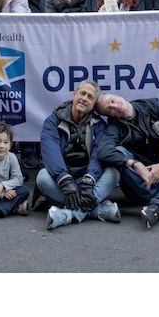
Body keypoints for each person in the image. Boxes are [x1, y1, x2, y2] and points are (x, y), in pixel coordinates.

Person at [95, 93, 159, 228]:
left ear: (120, 96)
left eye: (112, 101)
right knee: (119, 152)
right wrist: (135, 164)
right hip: (143, 187)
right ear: (111, 116)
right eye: (108, 109)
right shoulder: (114, 127)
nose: (114, 106)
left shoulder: (153, 105)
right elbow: (103, 151)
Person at [37, 80, 122, 229]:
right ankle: (96, 209)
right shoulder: (52, 121)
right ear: (74, 94)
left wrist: (89, 181)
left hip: (89, 182)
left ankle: (68, 214)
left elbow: (99, 154)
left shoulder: (100, 125)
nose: (84, 98)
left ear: (94, 104)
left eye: (90, 97)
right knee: (42, 177)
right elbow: (51, 153)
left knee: (114, 172)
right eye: (82, 93)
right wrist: (65, 182)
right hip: (63, 182)